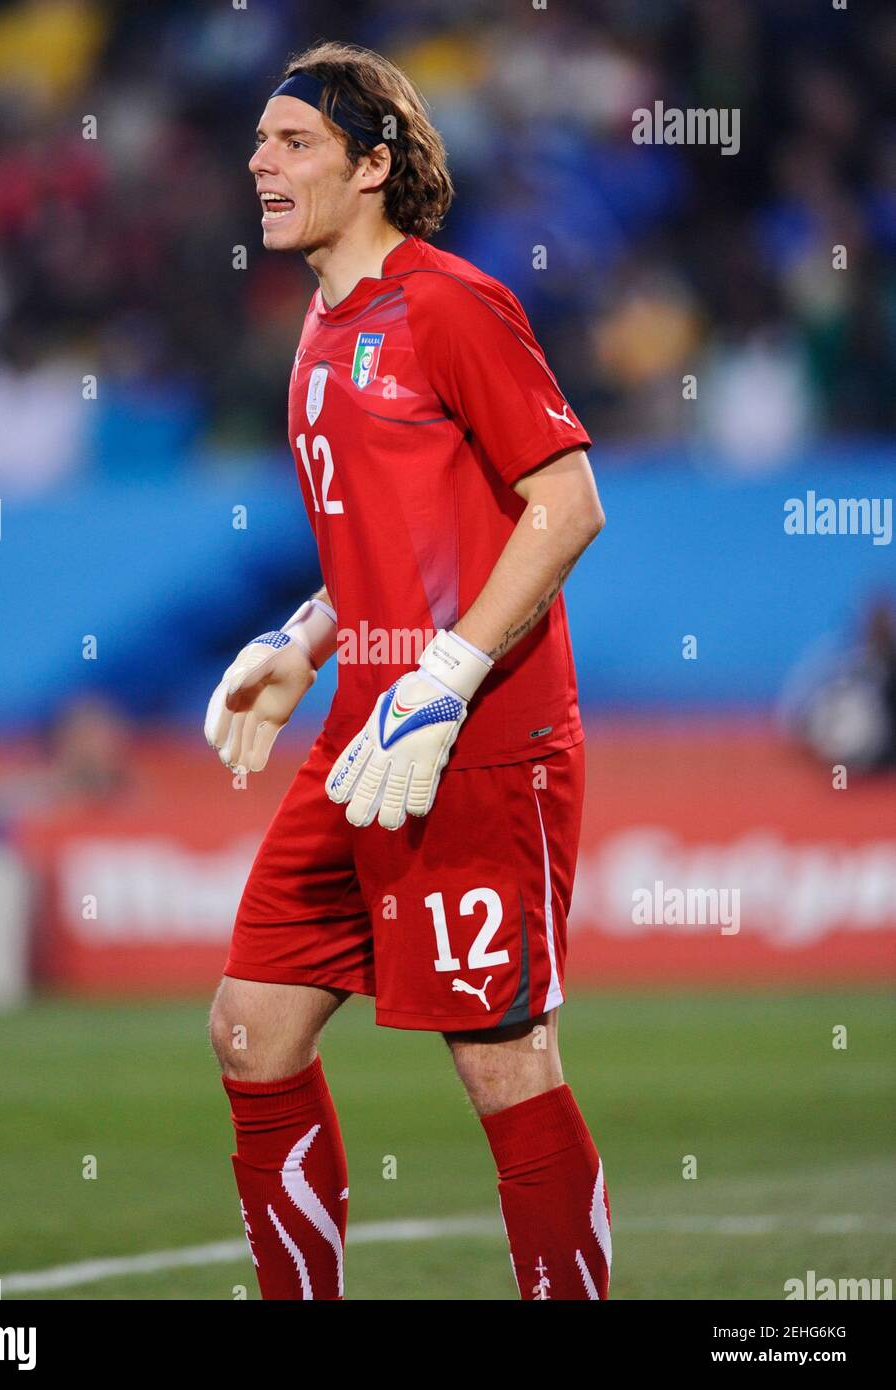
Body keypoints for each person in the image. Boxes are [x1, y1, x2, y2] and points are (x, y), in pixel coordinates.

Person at [205, 41, 610, 1301]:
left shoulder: (450, 302)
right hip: (362, 737)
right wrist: (300, 642)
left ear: (374, 165)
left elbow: (565, 502)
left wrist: (445, 674)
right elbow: (400, 539)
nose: (259, 163)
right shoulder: (319, 333)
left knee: (501, 1061)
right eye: (261, 142)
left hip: (482, 742)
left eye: (293, 144)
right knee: (249, 1029)